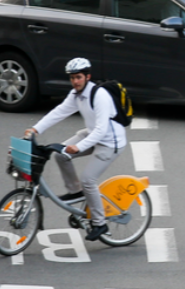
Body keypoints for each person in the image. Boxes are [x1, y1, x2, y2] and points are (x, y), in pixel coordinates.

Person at [24, 57, 127, 241]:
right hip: (92, 135)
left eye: (78, 77)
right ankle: (75, 192)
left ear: (88, 76)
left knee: (88, 179)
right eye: (72, 78)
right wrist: (36, 129)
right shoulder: (75, 95)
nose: (75, 81)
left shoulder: (100, 95)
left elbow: (102, 130)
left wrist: (78, 147)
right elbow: (59, 112)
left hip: (111, 142)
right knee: (61, 155)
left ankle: (99, 223)